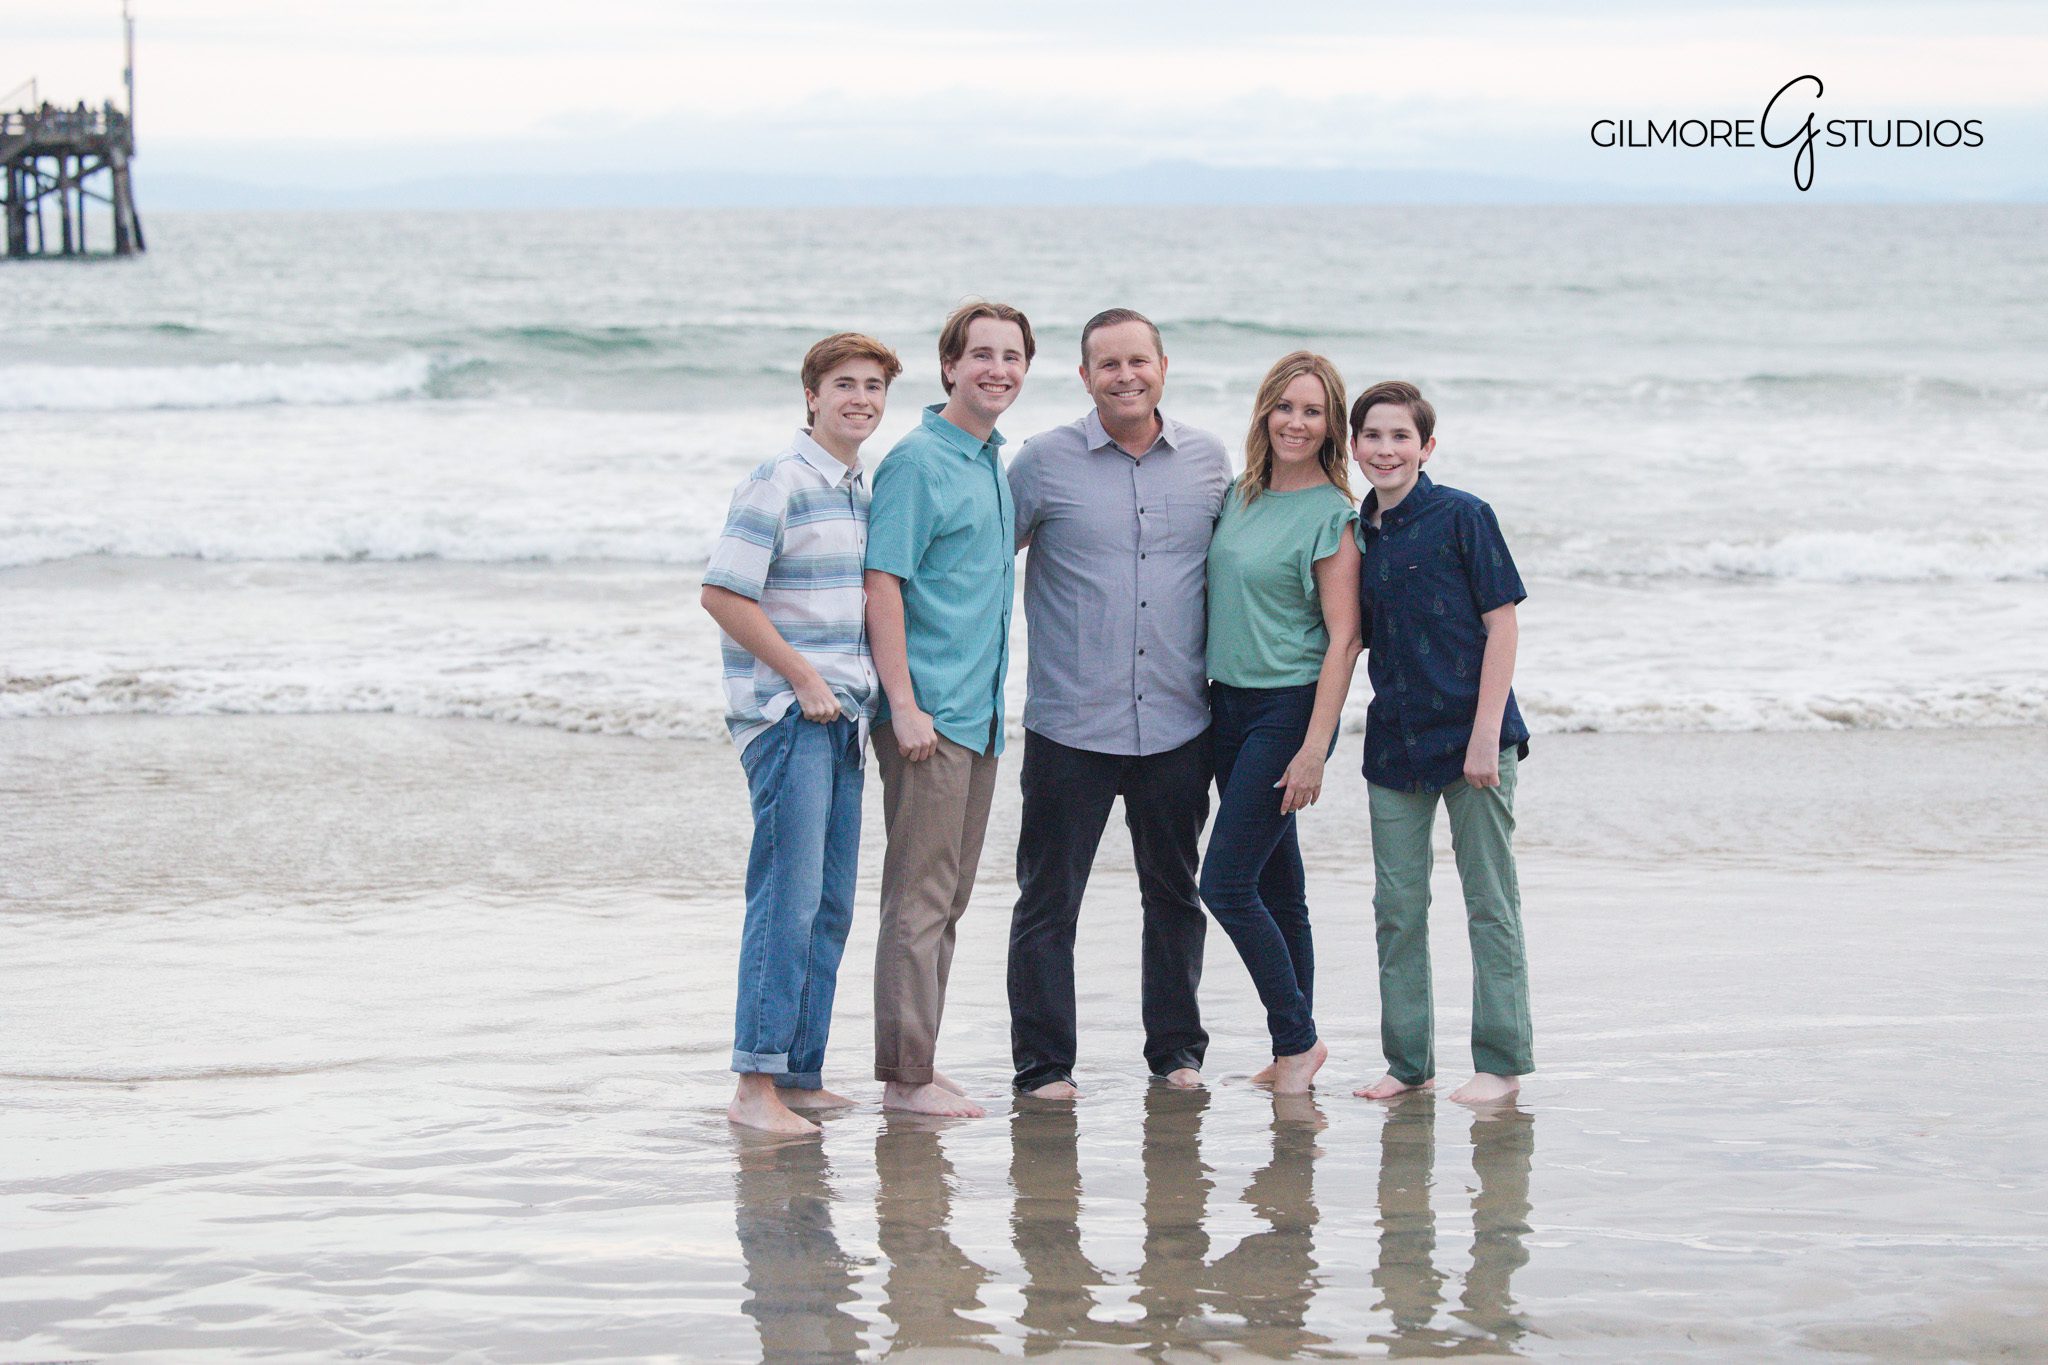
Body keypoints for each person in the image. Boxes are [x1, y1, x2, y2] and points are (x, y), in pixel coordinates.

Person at [1006, 308, 1231, 1099]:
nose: (1125, 375)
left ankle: (1176, 1053)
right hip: (1071, 722)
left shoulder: (1208, 463)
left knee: (1174, 893)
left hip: (1177, 720)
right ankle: (1044, 1067)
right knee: (1048, 899)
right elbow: (974, 559)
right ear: (1085, 375)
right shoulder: (1040, 463)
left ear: (1163, 366)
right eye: (1109, 364)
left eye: (1139, 360)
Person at [701, 331, 902, 1135]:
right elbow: (723, 593)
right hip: (789, 718)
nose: (861, 397)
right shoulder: (778, 481)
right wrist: (805, 677)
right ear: (811, 395)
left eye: (875, 386)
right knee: (784, 899)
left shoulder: (860, 489)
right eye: (845, 383)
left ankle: (802, 1074)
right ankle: (755, 1083)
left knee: (828, 903)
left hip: (845, 720)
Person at [864, 299, 1034, 1118]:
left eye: (1011, 356)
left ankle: (920, 1060)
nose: (997, 369)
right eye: (982, 355)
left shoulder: (989, 463)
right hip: (928, 717)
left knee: (950, 897)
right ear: (949, 367)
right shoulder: (918, 461)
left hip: (981, 716)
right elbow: (882, 582)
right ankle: (904, 1078)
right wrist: (903, 703)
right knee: (918, 899)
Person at [1347, 380, 1534, 1107]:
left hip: (1474, 740)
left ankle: (1502, 1061)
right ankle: (1408, 1061)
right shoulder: (1356, 529)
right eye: (1372, 436)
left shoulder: (1464, 515)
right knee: (1397, 905)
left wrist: (1486, 734)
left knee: (1490, 901)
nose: (1385, 449)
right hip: (1394, 745)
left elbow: (1503, 623)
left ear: (1426, 447)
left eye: (1401, 437)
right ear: (1355, 445)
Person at [1198, 352, 1363, 1095]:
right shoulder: (1242, 494)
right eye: (1285, 407)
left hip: (1285, 709)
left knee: (1226, 883)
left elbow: (1344, 639)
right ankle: (1291, 1050)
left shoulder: (1334, 514)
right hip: (1223, 706)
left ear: (1331, 425)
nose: (1297, 422)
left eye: (1313, 411)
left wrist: (1314, 750)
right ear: (1265, 411)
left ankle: (1299, 1041)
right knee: (1279, 885)